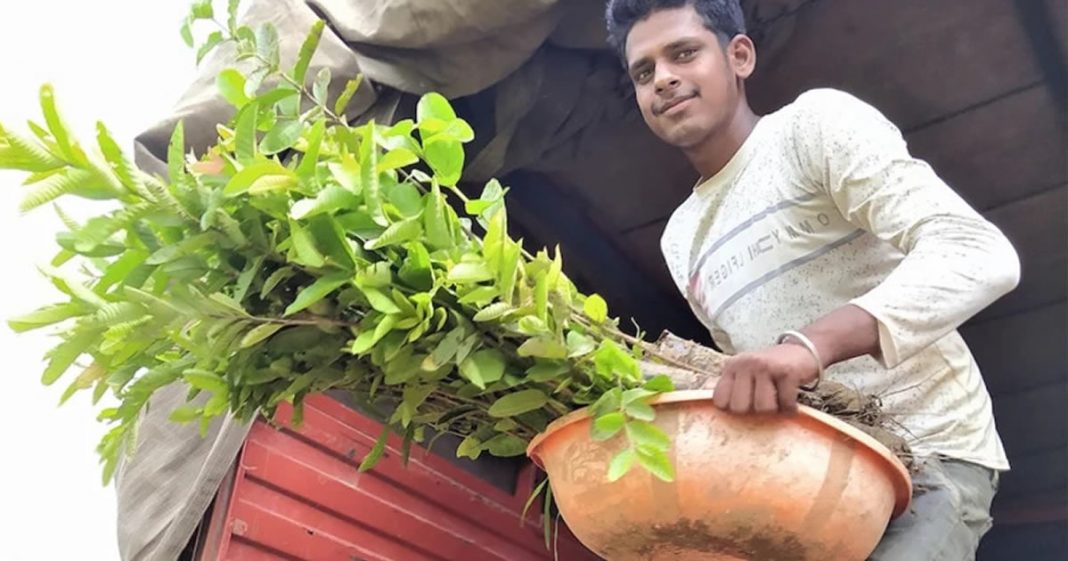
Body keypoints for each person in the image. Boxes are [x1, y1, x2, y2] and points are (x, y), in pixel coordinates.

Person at [605, 0, 1020, 559]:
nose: (665, 79)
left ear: (740, 56)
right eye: (644, 71)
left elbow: (977, 253)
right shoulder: (679, 239)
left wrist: (807, 347)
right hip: (809, 478)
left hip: (929, 458)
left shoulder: (812, 127)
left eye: (683, 53)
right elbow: (751, 375)